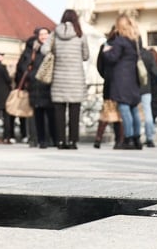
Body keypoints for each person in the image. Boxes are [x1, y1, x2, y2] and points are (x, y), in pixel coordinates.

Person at [42, 9, 89, 149]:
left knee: (59, 112)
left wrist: (55, 52)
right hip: (76, 79)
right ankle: (73, 141)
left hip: (59, 78)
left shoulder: (55, 33)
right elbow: (86, 56)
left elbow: (44, 50)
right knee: (75, 111)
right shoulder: (80, 34)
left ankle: (61, 141)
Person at [101, 14, 149, 150]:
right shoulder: (137, 41)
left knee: (124, 109)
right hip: (133, 78)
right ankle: (137, 139)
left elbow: (112, 57)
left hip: (121, 79)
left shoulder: (120, 41)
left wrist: (106, 51)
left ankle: (127, 139)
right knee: (134, 109)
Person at [16, 27, 56, 148]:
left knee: (51, 113)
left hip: (49, 85)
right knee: (36, 114)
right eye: (41, 34)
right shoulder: (32, 49)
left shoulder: (53, 48)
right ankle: (38, 139)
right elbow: (23, 66)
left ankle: (52, 138)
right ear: (38, 36)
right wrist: (33, 75)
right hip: (35, 86)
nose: (44, 36)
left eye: (46, 34)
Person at [93, 26, 123, 149]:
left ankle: (98, 138)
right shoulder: (125, 46)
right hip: (122, 84)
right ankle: (119, 140)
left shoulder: (105, 45)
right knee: (120, 114)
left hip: (109, 83)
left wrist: (106, 76)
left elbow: (99, 66)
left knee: (106, 112)